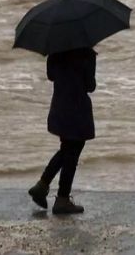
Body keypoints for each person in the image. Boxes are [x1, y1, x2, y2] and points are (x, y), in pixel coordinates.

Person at [28, 47, 96, 214]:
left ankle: (43, 186)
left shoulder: (55, 52)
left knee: (67, 149)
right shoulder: (86, 53)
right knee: (71, 151)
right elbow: (90, 85)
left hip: (60, 105)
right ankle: (61, 198)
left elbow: (51, 76)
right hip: (78, 108)